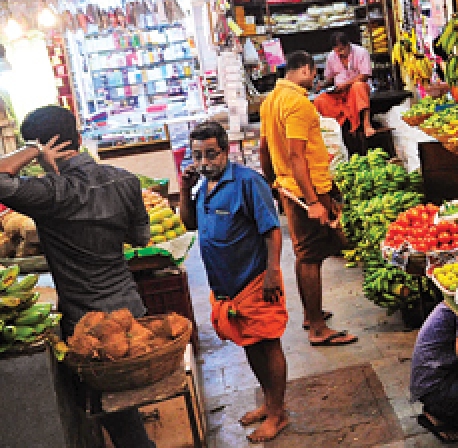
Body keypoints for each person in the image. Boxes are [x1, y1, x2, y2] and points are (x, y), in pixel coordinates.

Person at [0, 105, 155, 448]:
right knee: (124, 404)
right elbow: (141, 238)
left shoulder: (49, 193)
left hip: (89, 326)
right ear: (79, 137)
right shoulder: (125, 180)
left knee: (118, 421)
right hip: (131, 310)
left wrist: (32, 151)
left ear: (41, 149)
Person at [178, 121, 289, 443]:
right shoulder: (203, 187)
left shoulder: (248, 182)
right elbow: (189, 223)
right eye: (197, 156)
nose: (204, 162)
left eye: (211, 154)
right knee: (249, 343)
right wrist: (184, 189)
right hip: (227, 289)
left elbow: (272, 230)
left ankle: (278, 414)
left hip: (255, 280)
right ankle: (269, 402)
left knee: (268, 343)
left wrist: (272, 272)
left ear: (226, 151)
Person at [259, 50, 357, 347]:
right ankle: (317, 328)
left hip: (290, 187)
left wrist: (273, 182)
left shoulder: (270, 101)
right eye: (314, 73)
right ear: (304, 70)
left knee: (307, 252)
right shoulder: (298, 103)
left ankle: (310, 314)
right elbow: (296, 155)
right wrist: (313, 201)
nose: (315, 79)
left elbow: (264, 148)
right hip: (306, 190)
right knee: (310, 256)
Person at [409, 303, 458, 443]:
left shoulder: (454, 301)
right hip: (436, 386)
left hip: (436, 378)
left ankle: (446, 412)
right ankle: (439, 415)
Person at [313, 32, 377, 138]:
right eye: (336, 51)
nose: (339, 53)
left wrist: (346, 84)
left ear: (348, 45)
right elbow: (329, 78)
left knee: (358, 86)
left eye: (341, 50)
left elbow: (364, 75)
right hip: (339, 92)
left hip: (356, 89)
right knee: (319, 100)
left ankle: (366, 124)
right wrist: (322, 85)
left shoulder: (361, 52)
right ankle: (335, 130)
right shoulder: (331, 56)